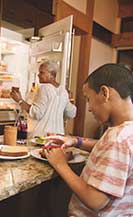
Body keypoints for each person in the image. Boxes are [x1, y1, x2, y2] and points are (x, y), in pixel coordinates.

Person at [45, 63, 133, 217]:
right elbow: (107, 149)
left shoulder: (117, 139)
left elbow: (95, 200)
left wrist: (61, 164)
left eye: (88, 99)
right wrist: (75, 141)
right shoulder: (126, 132)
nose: (90, 108)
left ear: (104, 93)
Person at [10, 60, 76, 138]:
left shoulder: (44, 88)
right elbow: (71, 113)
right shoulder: (63, 91)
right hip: (58, 136)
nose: (38, 75)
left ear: (52, 74)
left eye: (42, 72)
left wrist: (19, 100)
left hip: (41, 136)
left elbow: (37, 113)